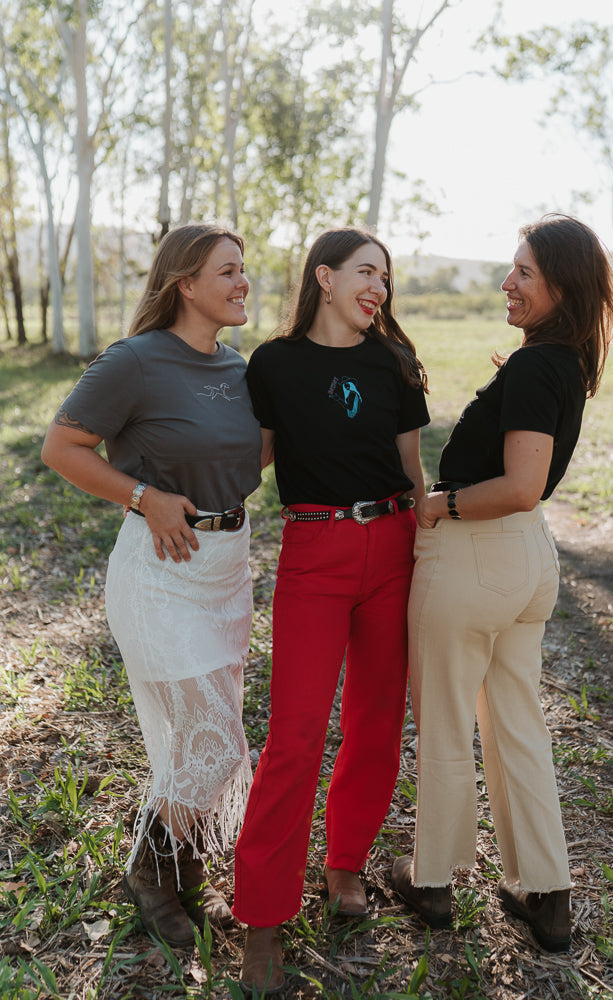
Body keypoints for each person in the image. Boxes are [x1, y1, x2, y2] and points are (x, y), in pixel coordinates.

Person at [391, 214, 613, 953]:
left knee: (443, 717)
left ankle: (431, 881)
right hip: (525, 564)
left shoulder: (534, 367)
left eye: (523, 272)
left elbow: (521, 484)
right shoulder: (564, 362)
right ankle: (547, 894)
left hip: (475, 553)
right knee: (519, 725)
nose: (507, 282)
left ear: (562, 284)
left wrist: (439, 504)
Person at [41, 223, 262, 947]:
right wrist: (143, 496)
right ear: (184, 284)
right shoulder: (133, 362)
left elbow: (251, 460)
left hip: (227, 569)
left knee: (201, 736)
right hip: (160, 569)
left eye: (243, 269)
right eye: (227, 270)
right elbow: (61, 446)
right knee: (215, 743)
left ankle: (186, 873)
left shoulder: (238, 368)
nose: (242, 281)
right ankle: (148, 868)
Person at [232, 227, 430, 992]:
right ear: (324, 276)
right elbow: (250, 464)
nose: (378, 285)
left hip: (394, 544)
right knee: (295, 734)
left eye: (385, 275)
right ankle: (262, 917)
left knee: (376, 722)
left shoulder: (392, 363)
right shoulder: (273, 364)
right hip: (314, 552)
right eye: (365, 271)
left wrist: (430, 542)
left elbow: (414, 473)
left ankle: (344, 866)